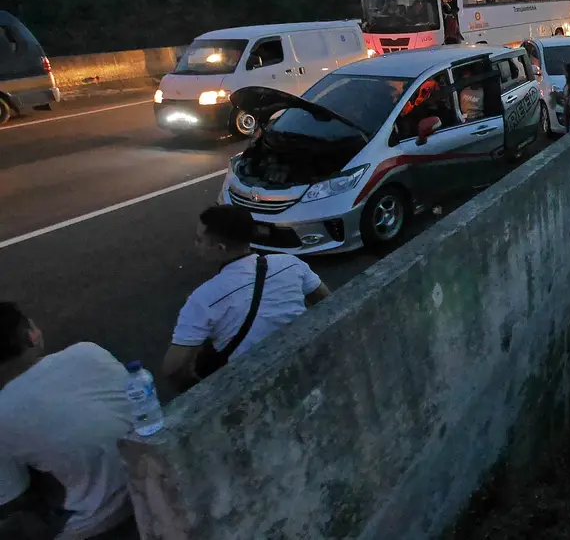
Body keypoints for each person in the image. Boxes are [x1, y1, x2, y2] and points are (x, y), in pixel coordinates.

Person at [0, 302, 134, 539]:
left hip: (98, 521)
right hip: (152, 480)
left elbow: (15, 498)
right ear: (30, 336)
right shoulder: (87, 351)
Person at [162, 206, 330, 393]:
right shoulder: (290, 263)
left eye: (199, 239)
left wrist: (196, 390)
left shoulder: (203, 299)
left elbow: (173, 368)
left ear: (220, 248)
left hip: (253, 386)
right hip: (304, 363)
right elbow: (325, 300)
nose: (196, 244)